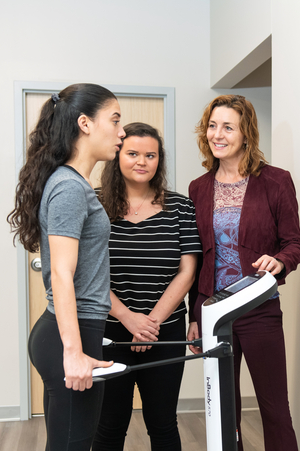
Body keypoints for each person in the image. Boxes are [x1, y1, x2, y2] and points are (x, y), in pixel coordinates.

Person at [7, 83, 125, 450]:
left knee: (67, 442)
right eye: (116, 120)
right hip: (67, 337)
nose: (122, 132)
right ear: (85, 124)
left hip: (72, 330)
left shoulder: (73, 183)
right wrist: (73, 351)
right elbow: (61, 272)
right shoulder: (70, 187)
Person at [187, 94, 300, 451]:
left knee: (273, 407)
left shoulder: (275, 181)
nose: (217, 134)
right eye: (212, 125)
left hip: (258, 310)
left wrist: (279, 261)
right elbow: (196, 261)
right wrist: (195, 316)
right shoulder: (198, 188)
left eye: (228, 127)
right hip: (212, 312)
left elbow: (294, 244)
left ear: (246, 133)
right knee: (223, 408)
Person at [92, 122, 201, 451]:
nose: (142, 161)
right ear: (117, 156)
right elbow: (88, 272)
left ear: (159, 160)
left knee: (163, 422)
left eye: (150, 155)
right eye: (133, 153)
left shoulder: (180, 207)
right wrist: (129, 319)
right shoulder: (94, 204)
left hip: (164, 332)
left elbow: (188, 269)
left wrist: (149, 323)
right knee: (109, 424)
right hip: (110, 331)